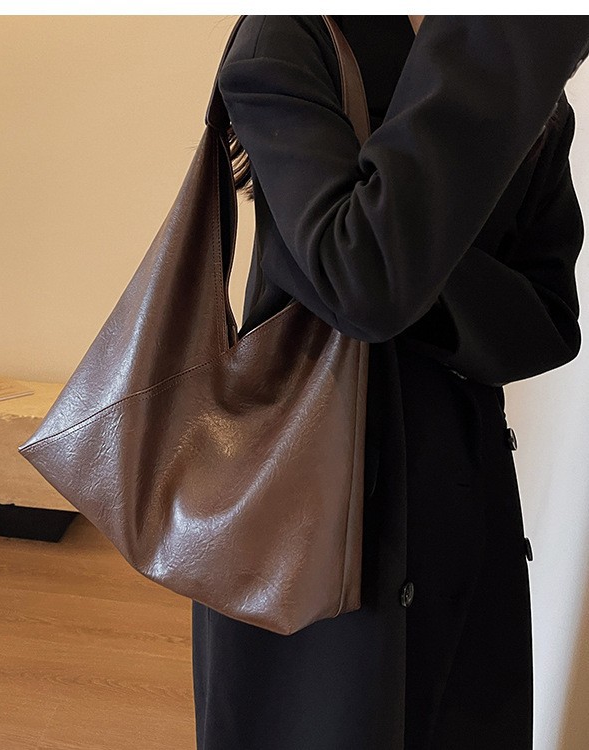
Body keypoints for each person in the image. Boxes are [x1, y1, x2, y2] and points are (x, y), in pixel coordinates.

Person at [191, 15, 589, 749]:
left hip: (464, 516)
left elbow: (548, 320)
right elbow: (363, 277)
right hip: (306, 517)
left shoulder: (516, 66)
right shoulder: (291, 35)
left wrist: (405, 265)